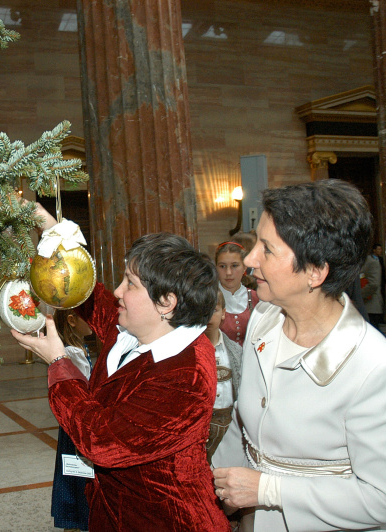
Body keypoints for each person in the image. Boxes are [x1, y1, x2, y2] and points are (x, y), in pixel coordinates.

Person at [212, 180, 386, 532]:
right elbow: (244, 427)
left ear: (315, 271)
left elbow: (384, 500)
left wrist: (268, 489)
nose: (249, 260)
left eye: (267, 249)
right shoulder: (264, 320)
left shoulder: (378, 371)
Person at [13, 205, 229, 531]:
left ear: (166, 302)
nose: (118, 292)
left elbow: (100, 440)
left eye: (130, 284)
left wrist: (59, 364)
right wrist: (52, 229)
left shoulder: (187, 374)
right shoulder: (132, 329)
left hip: (166, 520)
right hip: (114, 513)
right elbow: (89, 295)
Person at [50, 308, 93, 532]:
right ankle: (74, 522)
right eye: (89, 317)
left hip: (77, 425)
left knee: (79, 482)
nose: (94, 322)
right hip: (75, 429)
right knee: (75, 483)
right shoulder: (70, 354)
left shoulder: (79, 349)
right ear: (72, 321)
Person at [205, 290, 242, 461]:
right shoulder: (188, 353)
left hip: (229, 424)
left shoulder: (235, 351)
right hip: (202, 426)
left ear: (223, 313)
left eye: (214, 310)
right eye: (204, 310)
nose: (209, 317)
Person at [215, 241, 259, 346]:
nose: (228, 272)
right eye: (222, 266)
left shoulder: (256, 298)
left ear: (244, 267)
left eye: (234, 266)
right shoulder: (209, 298)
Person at [362, 243, 385, 326]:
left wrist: (359, 295)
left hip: (371, 304)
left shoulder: (372, 262)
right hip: (363, 306)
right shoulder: (360, 262)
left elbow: (373, 284)